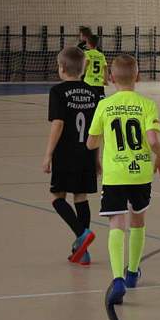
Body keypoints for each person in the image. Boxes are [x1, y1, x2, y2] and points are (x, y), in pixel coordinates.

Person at [86, 54, 160, 305]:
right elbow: (153, 140)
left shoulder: (104, 105)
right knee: (138, 220)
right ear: (138, 77)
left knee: (116, 224)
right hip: (140, 173)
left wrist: (100, 148)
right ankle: (133, 272)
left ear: (111, 78)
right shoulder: (147, 105)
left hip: (115, 175)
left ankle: (118, 279)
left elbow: (91, 142)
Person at [42, 47, 102, 267]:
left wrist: (48, 154)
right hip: (87, 152)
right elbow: (96, 129)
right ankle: (82, 252)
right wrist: (96, 157)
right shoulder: (93, 92)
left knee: (57, 197)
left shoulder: (57, 91)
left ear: (61, 68)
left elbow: (58, 124)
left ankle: (81, 234)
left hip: (66, 153)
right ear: (84, 68)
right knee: (80, 197)